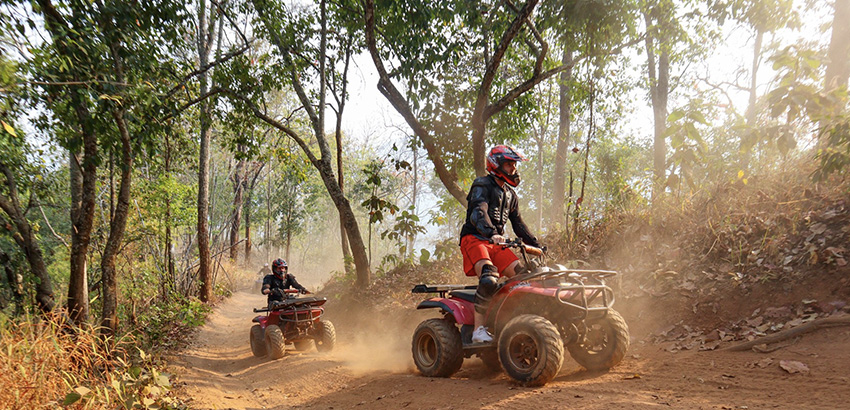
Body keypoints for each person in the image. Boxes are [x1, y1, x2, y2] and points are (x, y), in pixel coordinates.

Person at [459, 145, 543, 343]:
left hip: (497, 244)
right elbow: (478, 212)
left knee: (523, 277)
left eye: (514, 164)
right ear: (496, 165)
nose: (513, 169)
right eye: (509, 164)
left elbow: (519, 224)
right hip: (475, 239)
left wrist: (537, 245)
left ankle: (508, 320)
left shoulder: (511, 195)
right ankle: (478, 330)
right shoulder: (482, 185)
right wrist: (492, 233)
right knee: (489, 279)